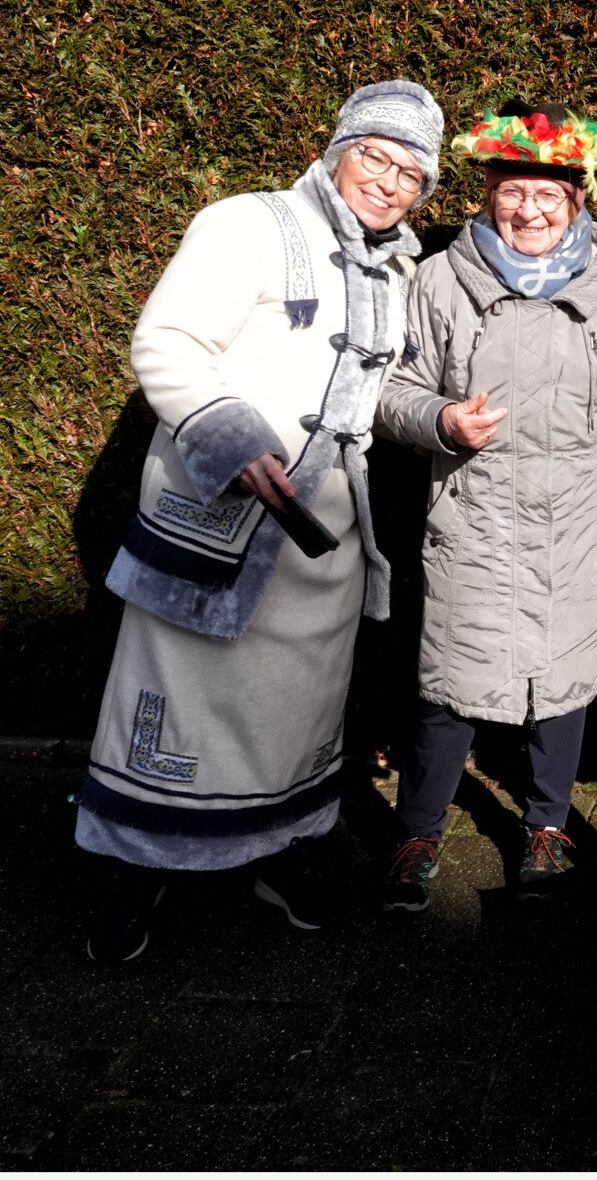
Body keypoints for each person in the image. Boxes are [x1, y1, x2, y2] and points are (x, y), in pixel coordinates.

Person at [76, 80, 446, 961]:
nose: (389, 183)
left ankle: (281, 852)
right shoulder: (248, 223)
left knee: (297, 711)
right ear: (339, 149)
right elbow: (167, 342)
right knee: (175, 706)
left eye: (412, 175)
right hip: (217, 519)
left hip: (322, 537)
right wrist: (234, 440)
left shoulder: (399, 267)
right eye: (376, 157)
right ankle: (133, 873)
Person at [372, 100, 597, 910]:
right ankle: (417, 831)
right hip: (477, 518)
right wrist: (441, 419)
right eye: (513, 191)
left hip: (580, 519)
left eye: (548, 193)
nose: (530, 209)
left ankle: (547, 826)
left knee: (565, 681)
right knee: (451, 678)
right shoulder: (443, 280)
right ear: (488, 193)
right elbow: (392, 388)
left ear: (578, 199)